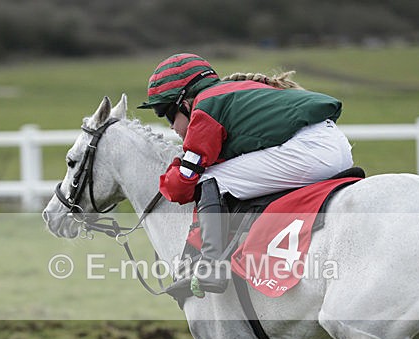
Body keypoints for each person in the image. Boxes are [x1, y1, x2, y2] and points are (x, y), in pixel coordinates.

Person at [138, 53, 354, 296]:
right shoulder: (230, 93)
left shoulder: (205, 108)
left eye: (167, 115)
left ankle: (212, 266)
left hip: (311, 152)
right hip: (337, 146)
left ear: (184, 104)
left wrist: (176, 167)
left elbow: (182, 186)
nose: (171, 126)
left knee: (210, 179)